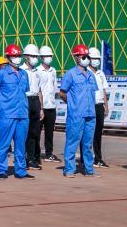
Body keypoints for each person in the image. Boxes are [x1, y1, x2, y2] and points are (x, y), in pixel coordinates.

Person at [0, 45, 31, 180]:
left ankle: (21, 170)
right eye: (14, 56)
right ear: (7, 58)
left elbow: (25, 91)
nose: (17, 58)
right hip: (7, 114)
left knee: (20, 144)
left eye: (18, 56)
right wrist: (2, 105)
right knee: (3, 143)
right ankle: (1, 170)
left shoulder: (24, 74)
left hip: (22, 114)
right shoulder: (1, 74)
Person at [58, 44, 98, 178]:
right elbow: (62, 92)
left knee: (87, 144)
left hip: (90, 114)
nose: (86, 58)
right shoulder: (71, 74)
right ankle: (69, 169)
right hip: (76, 115)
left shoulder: (91, 75)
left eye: (87, 56)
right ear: (76, 57)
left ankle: (89, 169)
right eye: (83, 56)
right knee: (72, 141)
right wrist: (72, 103)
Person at [21, 44, 44, 170]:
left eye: (36, 56)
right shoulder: (21, 71)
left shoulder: (37, 72)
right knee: (24, 131)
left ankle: (31, 159)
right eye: (33, 56)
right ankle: (22, 158)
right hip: (25, 100)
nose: (35, 58)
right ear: (26, 57)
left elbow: (39, 90)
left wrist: (41, 108)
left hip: (35, 101)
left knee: (34, 132)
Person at [37, 45, 60, 162]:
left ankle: (49, 153)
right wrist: (40, 107)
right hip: (41, 106)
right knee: (36, 131)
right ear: (41, 57)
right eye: (46, 56)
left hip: (51, 105)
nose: (49, 58)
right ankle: (35, 154)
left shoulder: (53, 70)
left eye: (50, 56)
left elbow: (55, 88)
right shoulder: (38, 71)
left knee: (50, 132)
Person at [88, 47, 109, 168]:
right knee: (87, 133)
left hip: (99, 106)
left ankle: (98, 158)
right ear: (89, 59)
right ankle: (86, 158)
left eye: (98, 58)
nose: (96, 60)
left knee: (98, 133)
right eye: (94, 58)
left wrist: (106, 105)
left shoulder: (101, 73)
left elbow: (104, 90)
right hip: (89, 106)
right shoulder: (87, 73)